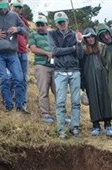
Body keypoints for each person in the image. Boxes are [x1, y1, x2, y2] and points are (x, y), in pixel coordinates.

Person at [0, 0, 27, 113]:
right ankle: (8, 106)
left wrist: (17, 29)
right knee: (3, 79)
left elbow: (25, 30)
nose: (1, 9)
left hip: (12, 53)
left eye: (3, 7)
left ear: (7, 6)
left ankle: (20, 105)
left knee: (19, 78)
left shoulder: (14, 16)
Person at [49, 11, 83, 139]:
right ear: (56, 24)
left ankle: (74, 127)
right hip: (60, 71)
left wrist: (79, 43)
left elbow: (80, 55)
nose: (62, 24)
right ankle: (61, 129)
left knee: (76, 102)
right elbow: (55, 51)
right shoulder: (51, 34)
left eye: (63, 21)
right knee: (60, 102)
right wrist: (72, 48)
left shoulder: (76, 35)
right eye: (59, 22)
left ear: (68, 21)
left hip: (74, 70)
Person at [80, 28, 112, 137]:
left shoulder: (102, 48)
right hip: (89, 78)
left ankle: (108, 125)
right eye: (88, 37)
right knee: (94, 101)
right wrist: (82, 82)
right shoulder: (83, 51)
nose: (90, 39)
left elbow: (108, 63)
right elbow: (80, 65)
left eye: (92, 37)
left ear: (95, 37)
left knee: (105, 100)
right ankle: (96, 125)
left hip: (103, 78)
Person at [28, 15, 55, 123]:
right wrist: (47, 53)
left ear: (47, 25)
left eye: (41, 24)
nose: (39, 27)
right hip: (41, 65)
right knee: (43, 91)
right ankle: (46, 114)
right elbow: (33, 49)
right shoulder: (33, 34)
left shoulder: (52, 35)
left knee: (58, 91)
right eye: (37, 24)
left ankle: (61, 113)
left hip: (55, 66)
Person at [9, 0, 29, 110]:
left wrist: (25, 44)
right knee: (13, 77)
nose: (17, 9)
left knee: (23, 78)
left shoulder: (23, 20)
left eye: (20, 7)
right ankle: (11, 100)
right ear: (10, 6)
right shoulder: (6, 17)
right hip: (12, 51)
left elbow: (26, 33)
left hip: (23, 51)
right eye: (16, 6)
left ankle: (22, 102)